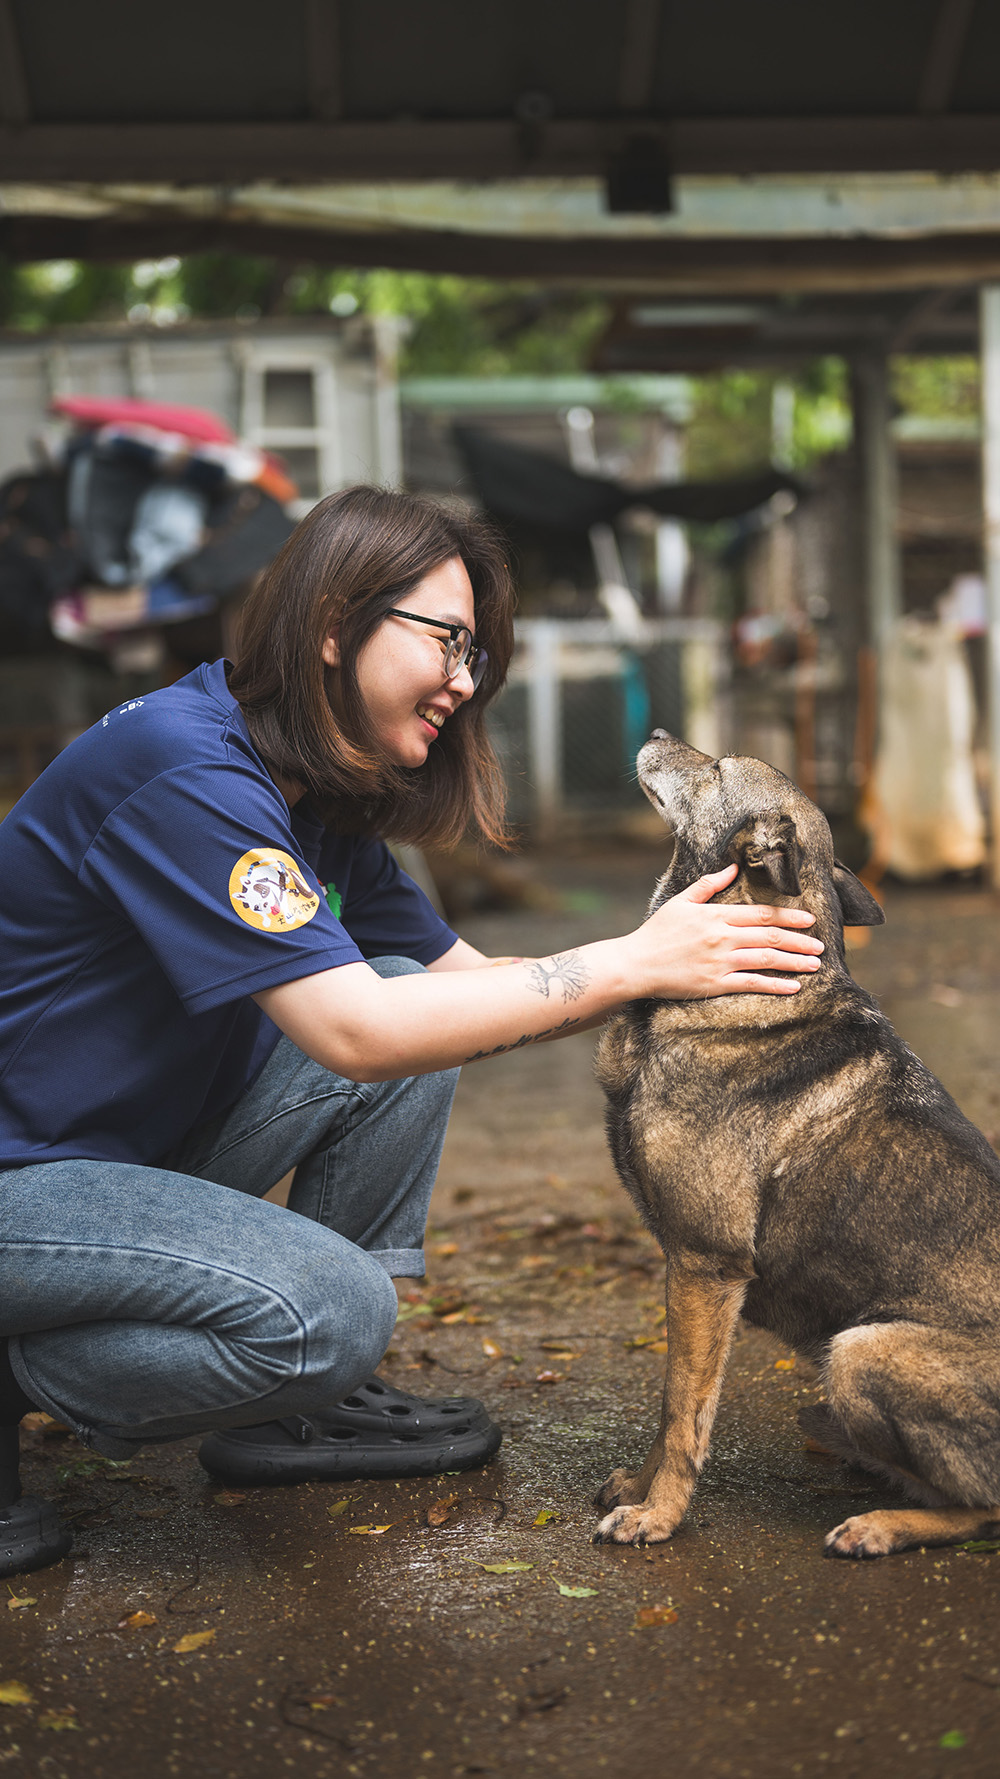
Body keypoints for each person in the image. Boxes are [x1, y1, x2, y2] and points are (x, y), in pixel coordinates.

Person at [0, 486, 823, 1577]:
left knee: (410, 997)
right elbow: (355, 1034)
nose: (463, 682)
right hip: (24, 1182)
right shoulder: (184, 771)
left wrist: (678, 974)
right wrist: (629, 959)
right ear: (335, 624)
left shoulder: (316, 796)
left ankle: (300, 1411)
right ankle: (29, 1378)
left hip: (113, 1168)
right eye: (446, 640)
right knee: (329, 1314)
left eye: (477, 655)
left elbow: (471, 992)